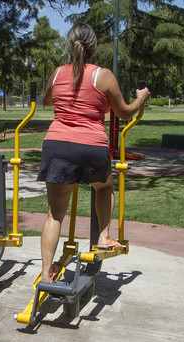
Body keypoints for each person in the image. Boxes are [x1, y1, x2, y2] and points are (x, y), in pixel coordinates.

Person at [37, 23, 151, 282]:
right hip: (91, 146)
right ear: (94, 47)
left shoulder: (57, 73)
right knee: (103, 187)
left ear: (69, 45)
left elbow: (47, 100)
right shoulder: (103, 75)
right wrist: (141, 98)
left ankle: (45, 273)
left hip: (57, 145)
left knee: (55, 214)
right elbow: (124, 112)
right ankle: (104, 236)